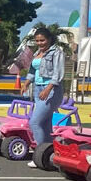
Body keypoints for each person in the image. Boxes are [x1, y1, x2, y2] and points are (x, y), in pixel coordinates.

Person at [27, 26, 65, 168]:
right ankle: (50, 155)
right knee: (45, 123)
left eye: (42, 40)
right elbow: (32, 71)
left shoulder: (57, 52)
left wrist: (48, 88)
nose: (40, 43)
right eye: (37, 40)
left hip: (51, 90)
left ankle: (40, 153)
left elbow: (58, 74)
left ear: (49, 39)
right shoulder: (37, 52)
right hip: (37, 89)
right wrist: (26, 82)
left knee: (34, 122)